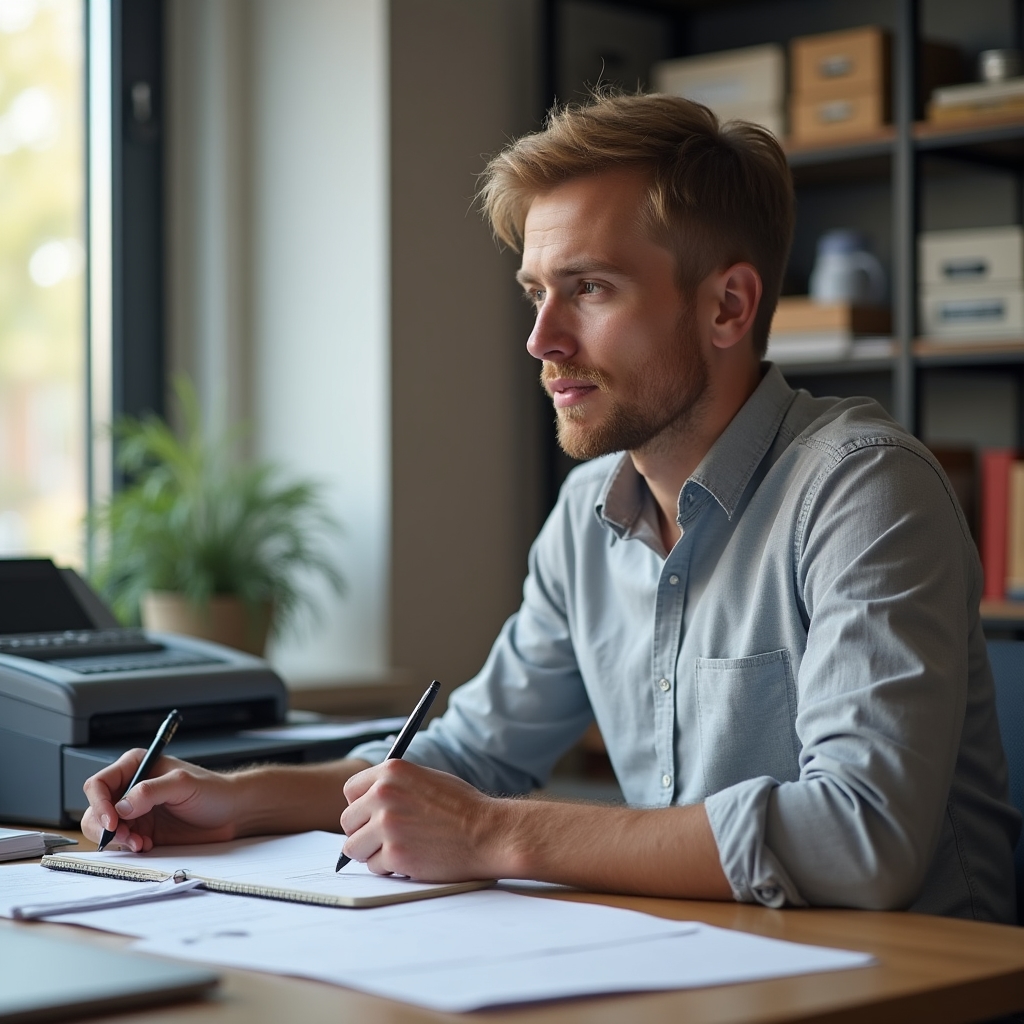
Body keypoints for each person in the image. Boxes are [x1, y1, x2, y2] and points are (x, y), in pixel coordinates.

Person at [82, 93, 1020, 922]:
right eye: (536, 293)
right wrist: (235, 799)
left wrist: (493, 834)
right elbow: (466, 759)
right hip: (716, 966)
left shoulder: (863, 488)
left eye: (590, 289)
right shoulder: (587, 516)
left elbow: (862, 837)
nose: (541, 339)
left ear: (728, 307)